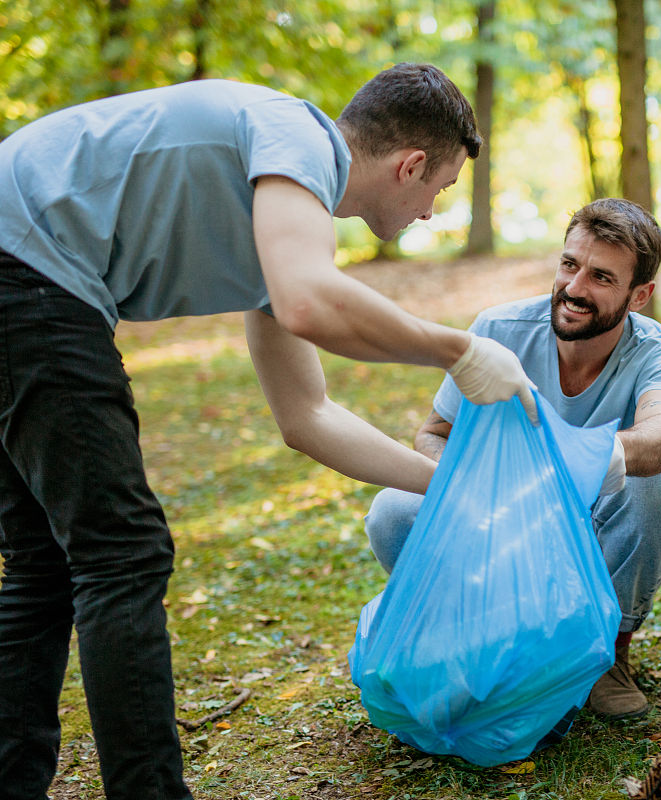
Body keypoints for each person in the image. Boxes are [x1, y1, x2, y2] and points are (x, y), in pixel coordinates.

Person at [0, 64, 537, 800]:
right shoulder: (295, 135)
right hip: (27, 268)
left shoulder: (281, 218)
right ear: (410, 165)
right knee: (120, 552)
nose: (429, 213)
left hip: (23, 266)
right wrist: (462, 350)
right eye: (439, 190)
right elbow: (312, 303)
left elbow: (307, 417)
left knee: (45, 562)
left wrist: (453, 481)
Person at [364, 198, 661, 720]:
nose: (575, 288)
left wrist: (585, 460)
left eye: (601, 277)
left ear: (640, 295)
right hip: (497, 520)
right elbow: (433, 434)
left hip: (589, 526)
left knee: (655, 492)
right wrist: (480, 493)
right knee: (393, 508)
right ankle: (481, 641)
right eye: (569, 265)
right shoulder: (499, 330)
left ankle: (605, 653)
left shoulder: (660, 354)